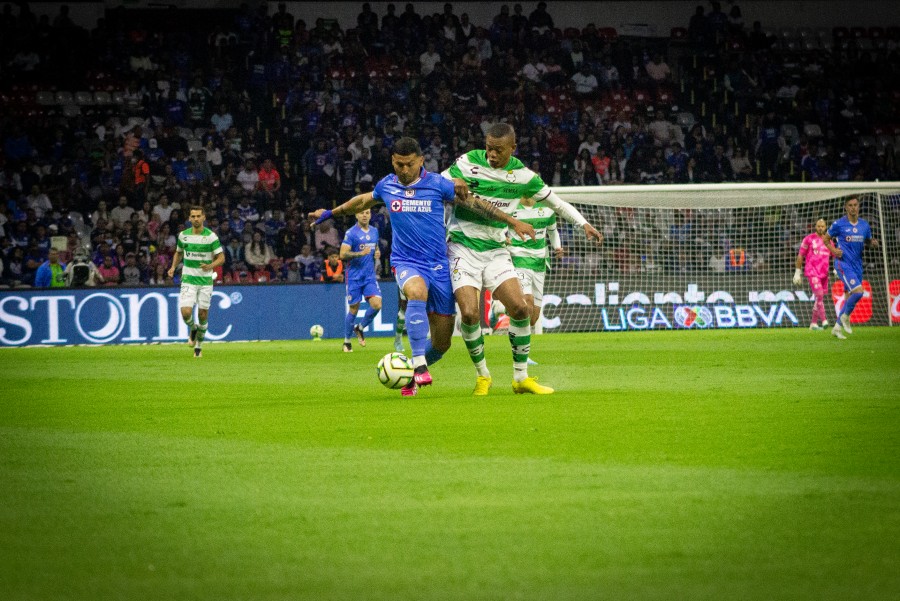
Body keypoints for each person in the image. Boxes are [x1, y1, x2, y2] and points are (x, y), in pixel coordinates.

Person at [310, 137, 534, 397]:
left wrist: (512, 221)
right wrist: (330, 213)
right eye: (398, 164)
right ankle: (417, 366)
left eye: (408, 165)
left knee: (442, 343)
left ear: (420, 161)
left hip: (439, 265)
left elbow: (476, 204)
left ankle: (409, 377)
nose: (403, 170)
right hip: (406, 262)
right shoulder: (387, 185)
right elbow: (361, 202)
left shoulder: (438, 184)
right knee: (415, 292)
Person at [442, 123, 603, 395]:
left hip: (495, 250)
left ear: (513, 148)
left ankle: (520, 378)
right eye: (489, 148)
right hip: (462, 247)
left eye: (498, 150)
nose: (491, 155)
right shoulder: (468, 161)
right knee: (469, 313)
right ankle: (483, 376)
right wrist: (450, 181)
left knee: (520, 309)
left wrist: (582, 224)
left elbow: (556, 203)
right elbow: (435, 182)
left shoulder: (524, 176)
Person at [168, 206, 225, 358]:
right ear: (189, 218)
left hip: (205, 281)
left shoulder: (211, 236)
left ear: (204, 217)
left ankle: (199, 346)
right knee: (186, 312)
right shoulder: (183, 236)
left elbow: (221, 258)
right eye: (193, 216)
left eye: (198, 216)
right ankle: (193, 328)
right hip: (188, 278)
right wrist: (173, 267)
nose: (196, 219)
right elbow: (178, 253)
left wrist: (210, 266)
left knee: (203, 315)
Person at [823, 197, 879, 339]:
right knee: (859, 292)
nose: (853, 208)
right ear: (846, 207)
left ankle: (837, 328)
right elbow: (825, 238)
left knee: (849, 297)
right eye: (850, 205)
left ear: (859, 206)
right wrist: (833, 250)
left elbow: (867, 240)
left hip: (857, 265)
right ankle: (845, 317)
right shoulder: (839, 224)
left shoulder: (864, 225)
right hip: (843, 264)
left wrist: (872, 243)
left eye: (855, 205)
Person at [339, 208, 382, 352]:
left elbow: (374, 248)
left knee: (377, 304)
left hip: (369, 276)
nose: (364, 215)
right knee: (354, 309)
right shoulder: (351, 233)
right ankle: (346, 341)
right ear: (356, 215)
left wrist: (377, 252)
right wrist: (359, 253)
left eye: (367, 213)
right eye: (362, 213)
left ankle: (360, 327)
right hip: (354, 277)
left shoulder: (374, 231)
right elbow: (343, 254)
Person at [793, 219, 839, 330]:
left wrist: (837, 268)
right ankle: (824, 320)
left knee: (820, 299)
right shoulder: (809, 239)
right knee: (819, 295)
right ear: (815, 226)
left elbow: (835, 256)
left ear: (825, 227)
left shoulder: (829, 241)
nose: (820, 228)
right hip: (812, 272)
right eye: (818, 226)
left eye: (822, 226)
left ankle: (813, 323)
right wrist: (797, 272)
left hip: (824, 274)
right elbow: (800, 255)